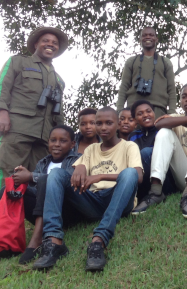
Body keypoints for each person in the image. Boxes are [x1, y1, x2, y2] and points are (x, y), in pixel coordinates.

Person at [33, 107, 143, 272]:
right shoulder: (91, 149)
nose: (103, 127)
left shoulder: (129, 146)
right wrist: (80, 169)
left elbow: (138, 176)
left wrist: (99, 176)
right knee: (55, 174)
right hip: (93, 201)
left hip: (119, 198)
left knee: (129, 173)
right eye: (99, 123)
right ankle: (53, 241)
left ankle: (99, 240)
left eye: (109, 123)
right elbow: (79, 168)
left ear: (118, 124)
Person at [0, 125, 80, 272]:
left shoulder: (77, 160)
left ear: (72, 144)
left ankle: (36, 240)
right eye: (53, 140)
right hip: (42, 208)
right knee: (8, 189)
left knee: (45, 180)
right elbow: (37, 191)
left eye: (63, 141)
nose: (57, 144)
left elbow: (68, 183)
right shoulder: (43, 162)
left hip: (65, 210)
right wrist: (22, 180)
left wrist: (31, 176)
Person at [0, 27, 69, 199]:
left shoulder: (59, 80)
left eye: (54, 43)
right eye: (45, 41)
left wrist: (63, 137)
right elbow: (1, 89)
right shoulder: (18, 62)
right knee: (9, 175)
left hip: (44, 138)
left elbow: (59, 112)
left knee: (36, 179)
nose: (50, 45)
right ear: (36, 44)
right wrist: (2, 114)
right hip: (17, 129)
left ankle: (23, 223)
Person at [132, 83, 187, 217]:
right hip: (183, 175)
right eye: (184, 96)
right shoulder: (175, 116)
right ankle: (156, 191)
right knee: (164, 133)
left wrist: (180, 120)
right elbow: (159, 124)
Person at [116, 26, 176, 117]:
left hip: (158, 109)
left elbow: (171, 89)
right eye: (144, 35)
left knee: (158, 131)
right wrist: (119, 111)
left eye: (151, 35)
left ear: (156, 39)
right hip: (134, 108)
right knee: (135, 132)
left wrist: (172, 112)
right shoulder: (131, 61)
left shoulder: (165, 62)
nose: (148, 37)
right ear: (140, 39)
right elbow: (124, 87)